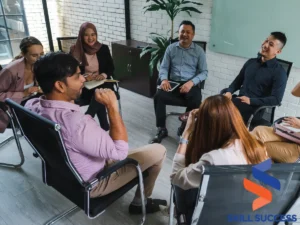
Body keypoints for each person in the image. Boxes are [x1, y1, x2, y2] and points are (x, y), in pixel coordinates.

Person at [25, 52, 167, 214]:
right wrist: (112, 107)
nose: (83, 79)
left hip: (61, 173)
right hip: (94, 182)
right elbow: (120, 152)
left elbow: (75, 133)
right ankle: (139, 203)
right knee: (159, 150)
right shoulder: (77, 124)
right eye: (78, 76)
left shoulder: (32, 105)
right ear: (60, 86)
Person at [170, 95, 268, 224]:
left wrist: (186, 133)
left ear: (206, 125)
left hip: (212, 215)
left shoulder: (213, 159)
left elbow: (176, 177)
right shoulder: (258, 147)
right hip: (244, 212)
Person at [151, 20, 208, 144]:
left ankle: (184, 127)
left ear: (193, 35)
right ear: (179, 33)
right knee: (158, 97)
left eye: (188, 32)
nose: (185, 34)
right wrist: (164, 79)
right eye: (182, 31)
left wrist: (191, 83)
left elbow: (204, 72)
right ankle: (161, 128)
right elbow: (164, 67)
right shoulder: (171, 48)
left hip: (190, 84)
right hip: (173, 83)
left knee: (196, 100)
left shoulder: (199, 51)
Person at [224, 32, 288, 124]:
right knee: (217, 102)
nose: (265, 45)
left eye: (271, 44)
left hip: (254, 109)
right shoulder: (251, 62)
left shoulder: (279, 73)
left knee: (220, 112)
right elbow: (237, 82)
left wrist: (250, 101)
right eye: (266, 40)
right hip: (238, 101)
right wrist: (229, 92)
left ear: (278, 51)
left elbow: (276, 100)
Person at [70, 22, 116, 131]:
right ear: (81, 36)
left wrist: (103, 75)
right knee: (98, 94)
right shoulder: (75, 51)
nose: (90, 38)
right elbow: (71, 72)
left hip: (103, 82)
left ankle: (89, 116)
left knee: (99, 91)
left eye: (93, 34)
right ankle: (104, 126)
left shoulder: (103, 48)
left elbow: (111, 67)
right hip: (84, 86)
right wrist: (84, 77)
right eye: (86, 35)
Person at [0, 36, 44, 133]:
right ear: (24, 54)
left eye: (41, 54)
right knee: (40, 121)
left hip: (30, 101)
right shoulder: (10, 71)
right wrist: (24, 93)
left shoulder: (38, 65)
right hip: (9, 108)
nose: (39, 58)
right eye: (34, 55)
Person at [252, 82, 300, 163]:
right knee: (259, 131)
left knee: (262, 147)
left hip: (297, 150)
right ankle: (232, 154)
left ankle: (259, 172)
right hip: (296, 135)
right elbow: (295, 92)